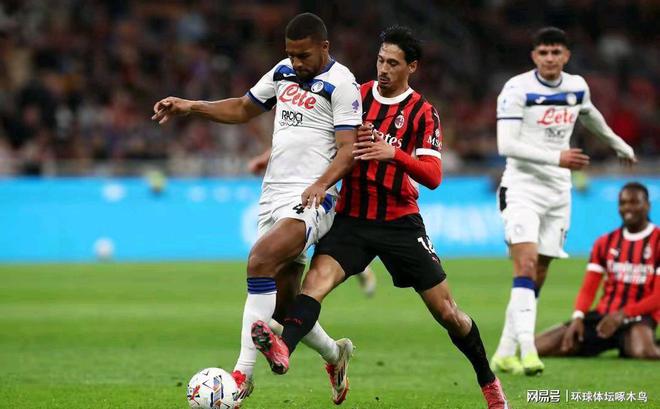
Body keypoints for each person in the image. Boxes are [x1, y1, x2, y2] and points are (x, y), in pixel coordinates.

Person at [250, 25, 509, 409]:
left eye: (393, 63)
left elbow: (433, 176)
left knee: (448, 313)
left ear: (412, 67)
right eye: (380, 60)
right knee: (314, 285)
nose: (384, 69)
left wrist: (395, 154)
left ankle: (489, 382)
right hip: (351, 218)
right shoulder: (354, 96)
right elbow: (318, 137)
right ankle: (283, 350)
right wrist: (269, 157)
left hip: (399, 222)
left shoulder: (423, 113)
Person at [152, 13, 362, 404]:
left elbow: (348, 150)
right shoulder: (282, 72)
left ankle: (241, 376)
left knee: (260, 260)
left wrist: (321, 184)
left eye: (303, 55)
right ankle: (336, 356)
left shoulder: (343, 84)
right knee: (283, 310)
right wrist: (190, 106)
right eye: (291, 54)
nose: (296, 62)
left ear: (324, 47)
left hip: (314, 197)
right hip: (272, 195)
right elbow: (242, 108)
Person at [491, 27, 637, 376]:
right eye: (543, 53)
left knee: (538, 272)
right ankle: (528, 351)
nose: (550, 58)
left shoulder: (577, 87)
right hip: (522, 188)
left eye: (556, 52)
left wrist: (618, 143)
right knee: (525, 265)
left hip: (558, 192)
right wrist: (557, 157)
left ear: (566, 56)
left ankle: (504, 353)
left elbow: (590, 114)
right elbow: (505, 145)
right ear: (534, 56)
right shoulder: (516, 89)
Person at [535, 182, 659, 359]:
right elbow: (588, 288)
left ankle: (643, 342)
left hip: (639, 317)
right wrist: (578, 317)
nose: (627, 208)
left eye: (634, 202)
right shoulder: (605, 242)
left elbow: (657, 297)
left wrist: (623, 314)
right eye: (623, 203)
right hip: (603, 317)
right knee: (538, 347)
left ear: (647, 205)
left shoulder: (658, 241)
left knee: (643, 352)